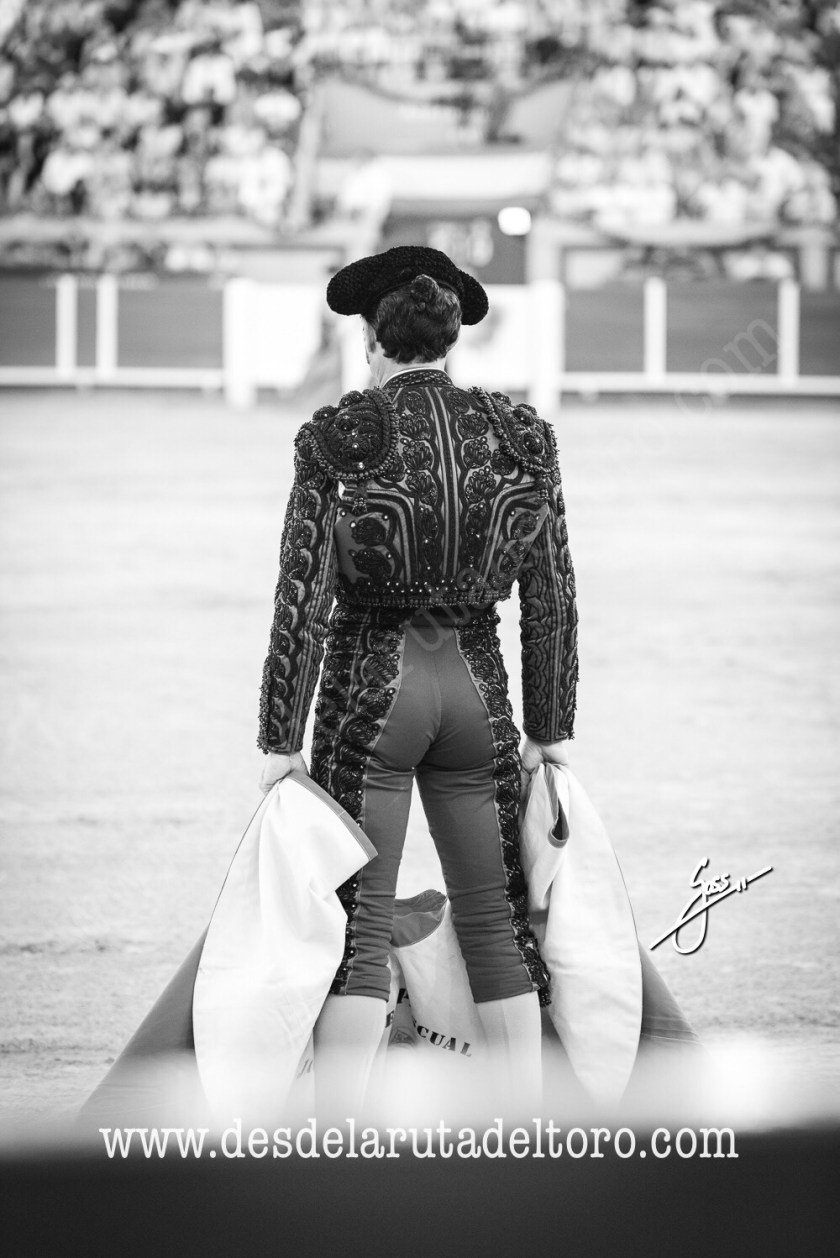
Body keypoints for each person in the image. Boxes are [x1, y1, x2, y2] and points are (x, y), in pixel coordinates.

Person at [256, 245, 578, 1118]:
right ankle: (525, 1133)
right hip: (477, 692)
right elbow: (551, 592)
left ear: (371, 338)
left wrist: (281, 738)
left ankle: (338, 1139)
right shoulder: (522, 437)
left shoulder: (338, 437)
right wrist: (550, 729)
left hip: (372, 697)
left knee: (358, 929)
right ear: (452, 341)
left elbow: (302, 594)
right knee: (497, 918)